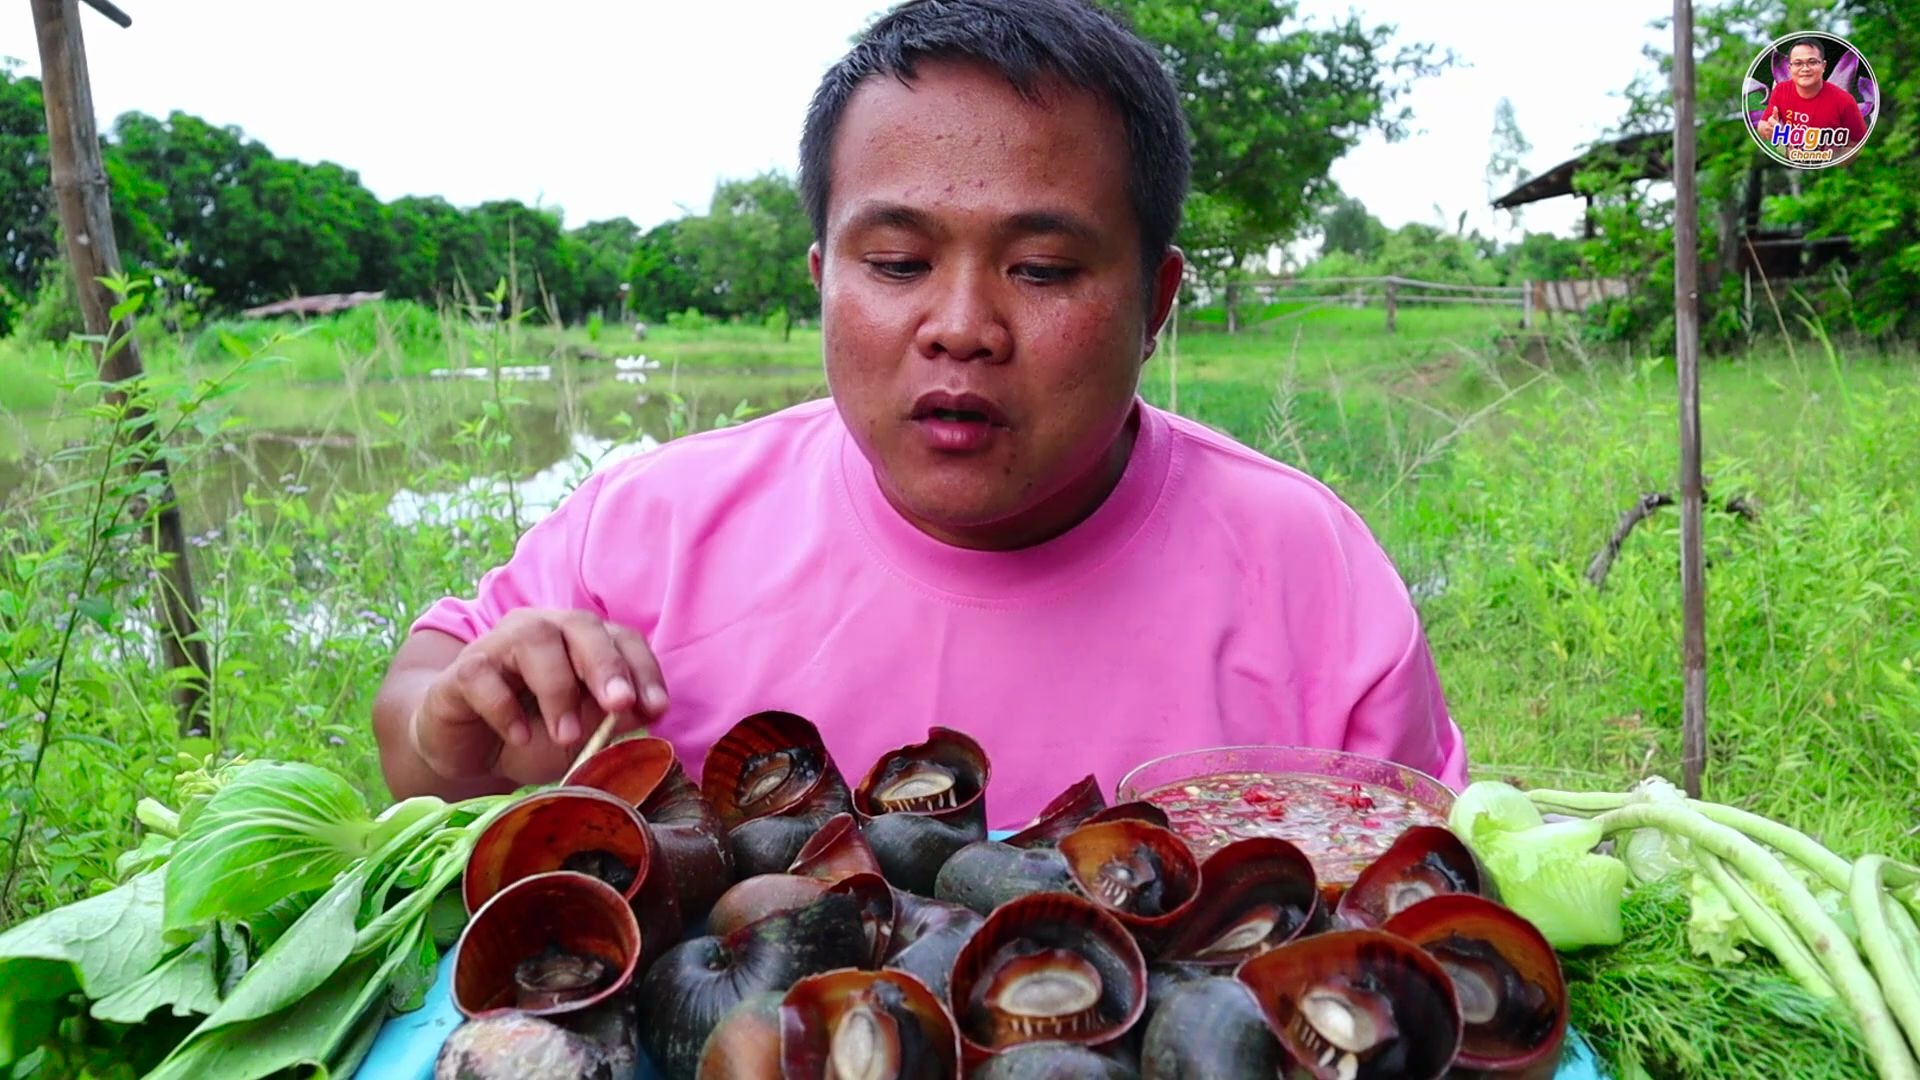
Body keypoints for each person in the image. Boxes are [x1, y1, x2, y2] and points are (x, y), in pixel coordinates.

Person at [370, 0, 1469, 825]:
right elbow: (422, 719)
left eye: (1040, 270)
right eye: (897, 262)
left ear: (1157, 303)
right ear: (821, 276)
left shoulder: (1313, 581)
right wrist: (447, 726)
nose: (961, 326)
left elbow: (1418, 895)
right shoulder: (653, 524)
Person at [1755, 37, 1867, 159]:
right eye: (1798, 63)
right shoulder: (1781, 91)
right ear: (1789, 68)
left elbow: (1856, 145)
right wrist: (1772, 131)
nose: (1805, 69)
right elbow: (1763, 125)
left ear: (1823, 66)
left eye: (1812, 62)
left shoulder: (1845, 101)